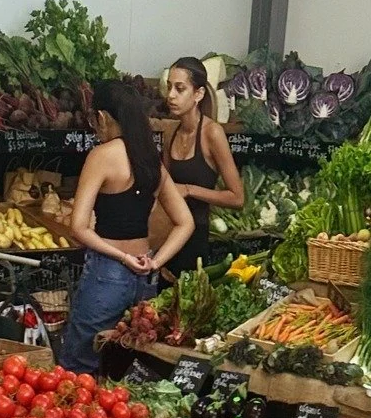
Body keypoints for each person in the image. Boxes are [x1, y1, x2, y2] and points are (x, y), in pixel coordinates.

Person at [60, 79, 194, 374]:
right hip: (145, 279)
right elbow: (186, 222)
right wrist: (154, 262)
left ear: (103, 117)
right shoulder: (151, 161)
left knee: (80, 364)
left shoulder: (102, 156)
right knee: (128, 367)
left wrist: (122, 258)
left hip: (108, 274)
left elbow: (78, 227)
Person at [163, 58, 243, 275]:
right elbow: (164, 185)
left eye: (180, 89)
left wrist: (189, 190)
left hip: (196, 239)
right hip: (168, 237)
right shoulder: (170, 133)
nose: (171, 95)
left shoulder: (212, 133)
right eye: (169, 87)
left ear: (198, 94)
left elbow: (237, 197)